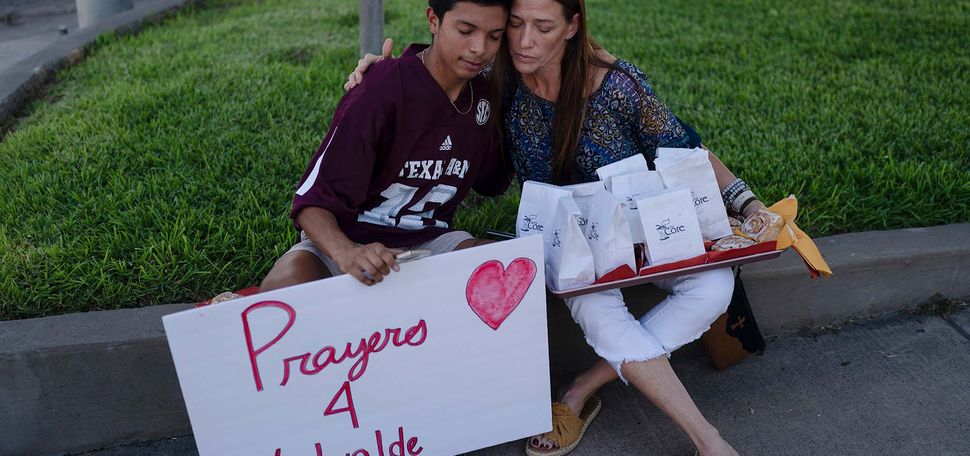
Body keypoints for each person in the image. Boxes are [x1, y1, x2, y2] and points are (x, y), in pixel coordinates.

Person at [347, 1, 767, 455]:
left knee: (714, 285)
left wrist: (748, 203)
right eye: (515, 25)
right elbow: (435, 75)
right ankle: (708, 440)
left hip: (637, 231)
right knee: (595, 305)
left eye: (543, 27)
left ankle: (584, 384)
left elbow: (688, 149)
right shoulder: (498, 85)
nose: (525, 41)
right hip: (561, 242)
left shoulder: (616, 84)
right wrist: (379, 76)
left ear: (572, 27)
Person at [259, 0, 512, 292]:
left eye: (494, 36)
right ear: (434, 20)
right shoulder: (382, 88)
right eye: (465, 30)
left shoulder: (485, 97)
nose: (479, 47)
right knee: (278, 293)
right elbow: (312, 203)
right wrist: (347, 253)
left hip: (428, 243)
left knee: (506, 270)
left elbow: (492, 183)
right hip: (347, 240)